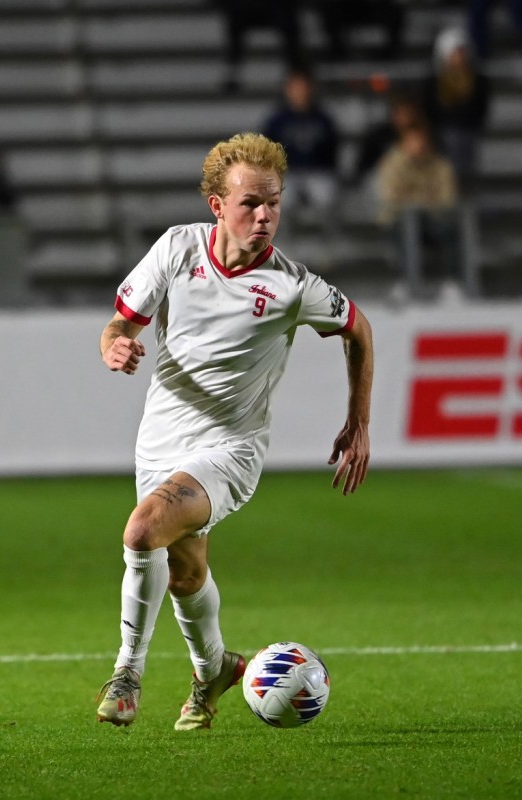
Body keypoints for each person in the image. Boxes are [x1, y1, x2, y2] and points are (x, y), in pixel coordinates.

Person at [94, 132, 374, 731]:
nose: (266, 215)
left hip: (231, 450)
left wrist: (359, 421)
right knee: (186, 573)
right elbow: (120, 322)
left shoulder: (291, 285)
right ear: (217, 206)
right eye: (251, 203)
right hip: (160, 443)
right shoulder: (177, 249)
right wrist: (115, 346)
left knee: (142, 531)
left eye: (274, 201)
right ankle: (214, 669)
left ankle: (126, 674)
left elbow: (359, 329)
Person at [374, 122, 462, 301]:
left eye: (422, 140)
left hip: (432, 220)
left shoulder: (440, 165)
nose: (418, 145)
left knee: (451, 230)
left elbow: (448, 199)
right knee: (404, 229)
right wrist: (422, 201)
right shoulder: (393, 163)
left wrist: (416, 203)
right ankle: (405, 283)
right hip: (399, 220)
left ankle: (452, 283)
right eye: (413, 141)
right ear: (404, 142)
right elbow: (390, 196)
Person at [261, 65, 342, 223]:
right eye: (295, 87)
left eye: (303, 86)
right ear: (287, 89)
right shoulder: (277, 121)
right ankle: (279, 239)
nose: (300, 91)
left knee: (325, 194)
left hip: (318, 172)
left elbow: (333, 152)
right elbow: (265, 152)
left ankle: (327, 238)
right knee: (283, 195)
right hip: (287, 174)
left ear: (311, 88)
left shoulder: (323, 119)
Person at [422, 27, 491, 194]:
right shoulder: (433, 82)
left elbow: (480, 109)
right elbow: (429, 110)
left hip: (468, 134)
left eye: (462, 52)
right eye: (454, 53)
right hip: (441, 135)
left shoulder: (479, 81)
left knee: (464, 165)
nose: (459, 57)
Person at [214, 0, 302, 93]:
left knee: (289, 21)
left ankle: (297, 75)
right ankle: (231, 73)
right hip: (247, 7)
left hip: (277, 6)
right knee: (235, 18)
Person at [353, 90, 425, 184]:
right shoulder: (378, 137)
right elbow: (363, 168)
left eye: (407, 112)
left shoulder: (423, 135)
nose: (403, 118)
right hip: (381, 182)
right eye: (398, 112)